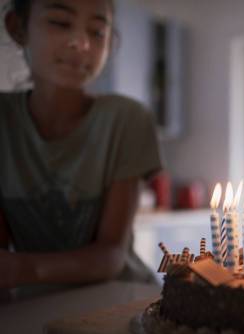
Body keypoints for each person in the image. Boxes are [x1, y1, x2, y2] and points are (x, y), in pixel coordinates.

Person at [0, 0, 162, 297]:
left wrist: (23, 269)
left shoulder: (127, 119)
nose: (81, 43)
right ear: (17, 27)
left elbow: (112, 253)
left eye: (97, 31)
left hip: (123, 300)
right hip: (31, 309)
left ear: (110, 43)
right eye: (60, 23)